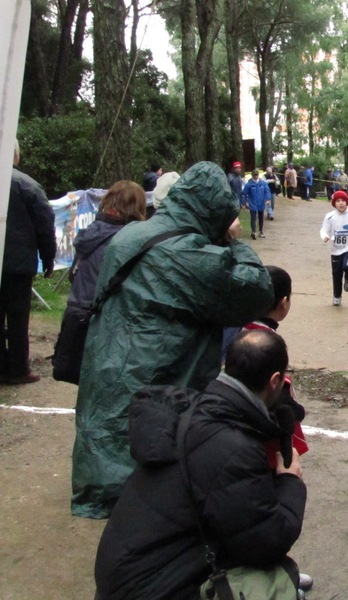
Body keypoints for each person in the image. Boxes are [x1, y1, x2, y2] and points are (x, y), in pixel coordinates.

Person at [72, 161, 273, 519]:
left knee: (111, 423)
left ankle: (102, 490)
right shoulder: (186, 253)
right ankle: (134, 500)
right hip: (156, 364)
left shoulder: (131, 234)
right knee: (152, 433)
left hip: (110, 360)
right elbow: (254, 291)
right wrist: (234, 243)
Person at [94, 329, 307, 600]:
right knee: (271, 580)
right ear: (276, 380)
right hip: (152, 589)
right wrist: (290, 482)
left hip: (123, 573)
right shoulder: (233, 446)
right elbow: (267, 542)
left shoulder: (194, 407)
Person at [54, 182, 147, 384]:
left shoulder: (89, 232)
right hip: (105, 324)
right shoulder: (127, 241)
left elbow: (74, 275)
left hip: (77, 316)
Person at [2, 142, 56, 384]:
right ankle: (18, 368)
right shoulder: (28, 185)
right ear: (15, 155)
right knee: (17, 318)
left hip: (14, 260)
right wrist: (48, 258)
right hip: (18, 264)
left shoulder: (24, 185)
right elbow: (45, 224)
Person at [321, 190, 348, 306]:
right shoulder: (330, 216)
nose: (341, 203)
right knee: (336, 274)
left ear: (347, 203)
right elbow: (324, 229)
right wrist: (325, 236)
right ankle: (337, 296)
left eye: (343, 201)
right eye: (338, 201)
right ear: (334, 203)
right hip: (336, 250)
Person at [243, 169, 271, 239]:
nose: (255, 176)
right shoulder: (249, 184)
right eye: (254, 175)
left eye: (256, 175)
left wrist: (268, 199)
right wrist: (244, 203)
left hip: (261, 203)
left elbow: (267, 191)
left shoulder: (263, 183)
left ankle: (260, 231)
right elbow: (244, 194)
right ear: (252, 176)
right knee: (253, 218)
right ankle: (253, 231)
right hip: (252, 203)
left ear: (258, 175)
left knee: (261, 218)